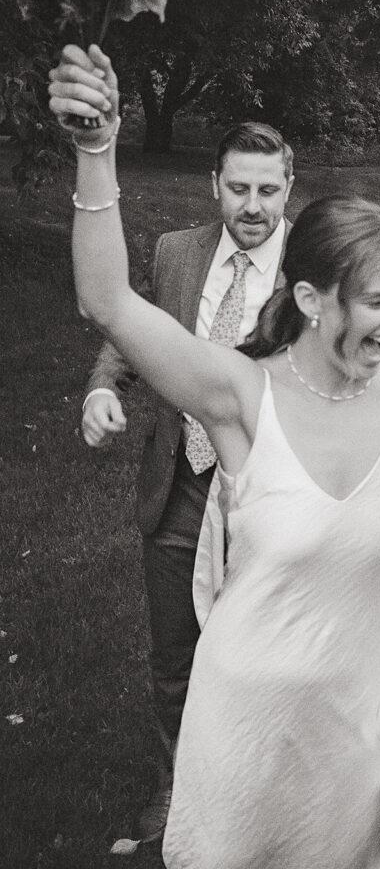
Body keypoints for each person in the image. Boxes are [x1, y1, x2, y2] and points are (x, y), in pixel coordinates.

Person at [49, 44, 380, 869]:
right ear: (314, 302)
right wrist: (96, 149)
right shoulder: (242, 398)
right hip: (243, 714)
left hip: (356, 715)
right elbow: (107, 301)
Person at [79, 111, 293, 838]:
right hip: (177, 483)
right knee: (175, 654)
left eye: (268, 189)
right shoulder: (175, 251)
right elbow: (131, 330)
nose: (253, 206)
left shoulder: (316, 270)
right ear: (214, 186)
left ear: (290, 187)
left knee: (265, 656)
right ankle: (176, 784)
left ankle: (258, 790)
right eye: (238, 188)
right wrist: (105, 386)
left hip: (268, 495)